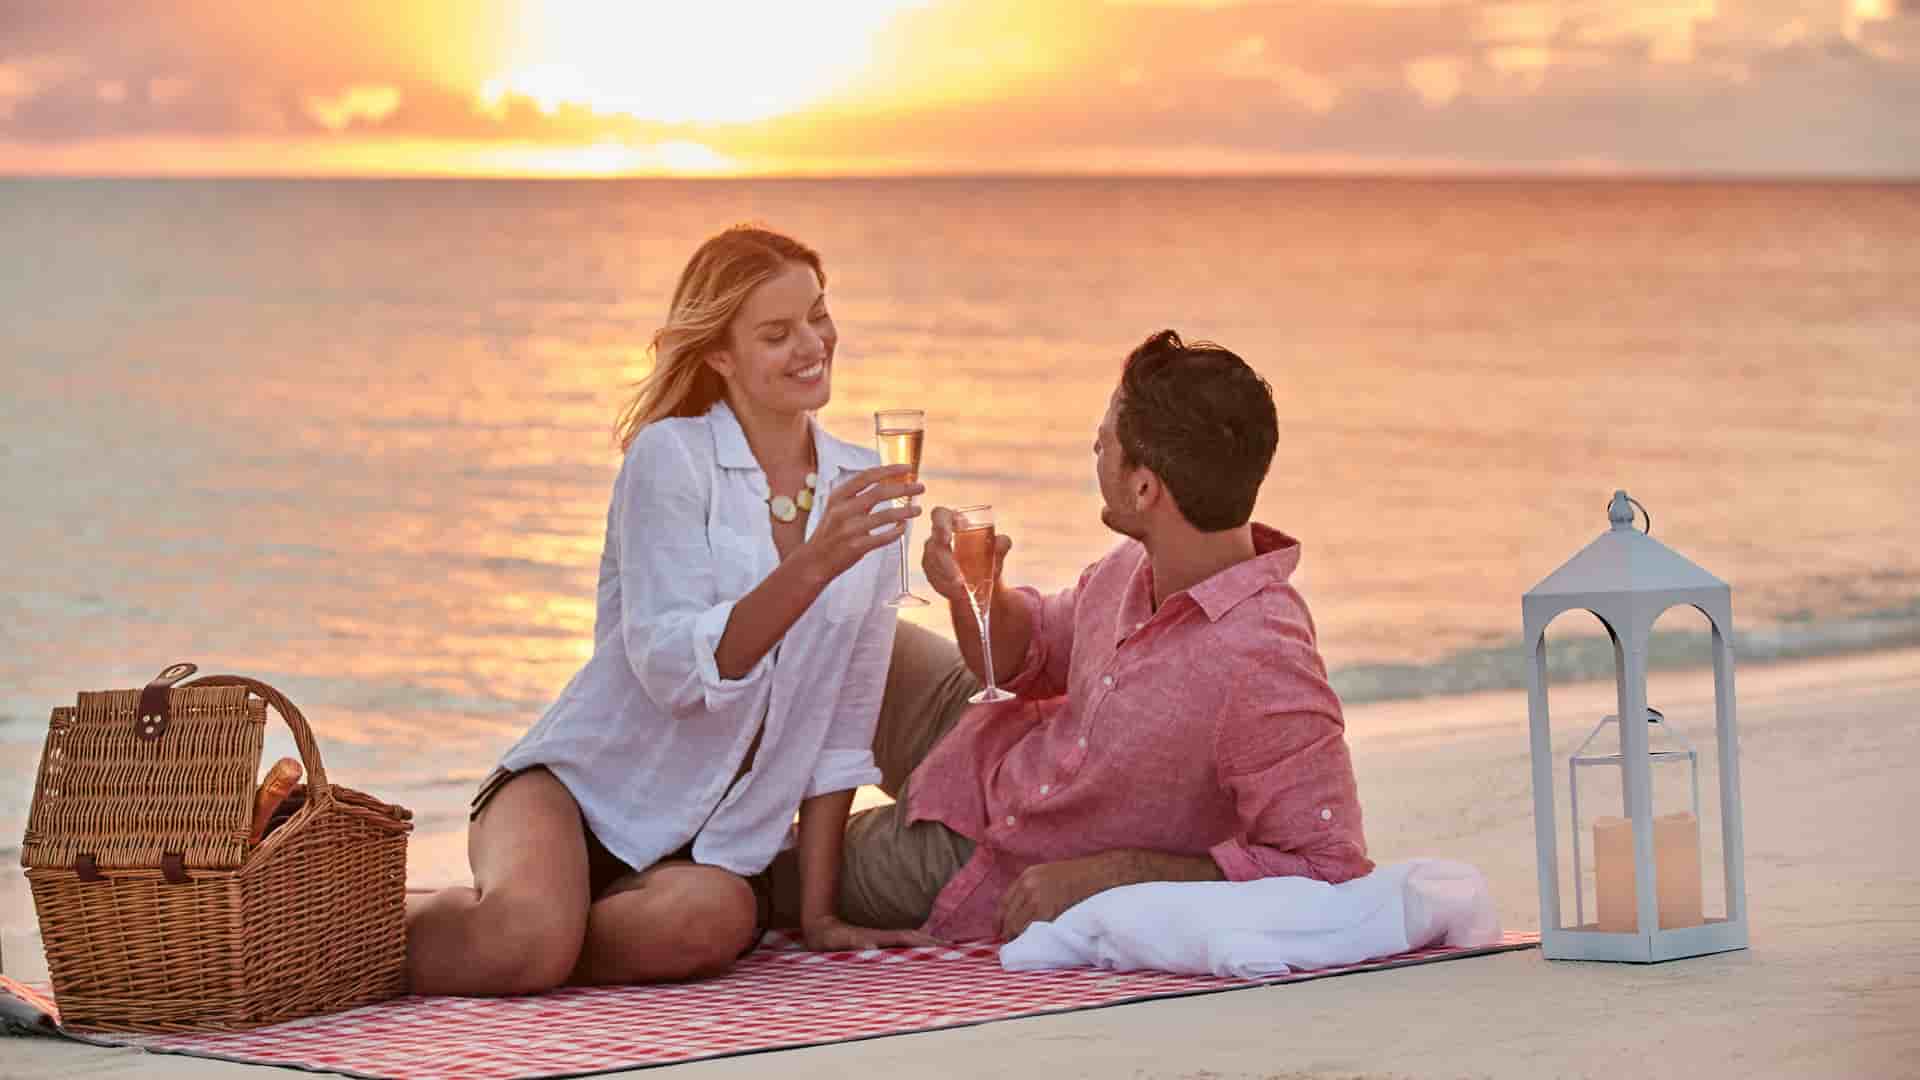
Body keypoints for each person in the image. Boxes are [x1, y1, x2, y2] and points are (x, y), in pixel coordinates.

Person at [407, 225, 933, 996]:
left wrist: (818, 915)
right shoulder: (670, 458)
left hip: (714, 852)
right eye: (777, 333)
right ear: (719, 354)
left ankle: (552, 937)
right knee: (521, 942)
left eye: (818, 316)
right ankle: (386, 930)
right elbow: (672, 671)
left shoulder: (862, 483)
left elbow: (842, 723)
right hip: (584, 794)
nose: (813, 344)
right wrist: (817, 559)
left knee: (705, 927)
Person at [770, 330, 1372, 943]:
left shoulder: (1265, 663)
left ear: (1145, 488)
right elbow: (1016, 661)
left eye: (1107, 438)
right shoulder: (1134, 565)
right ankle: (692, 775)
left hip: (983, 854)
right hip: (986, 736)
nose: (1095, 445)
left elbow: (1328, 872)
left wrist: (1114, 877)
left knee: (760, 869)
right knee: (828, 630)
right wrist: (978, 594)